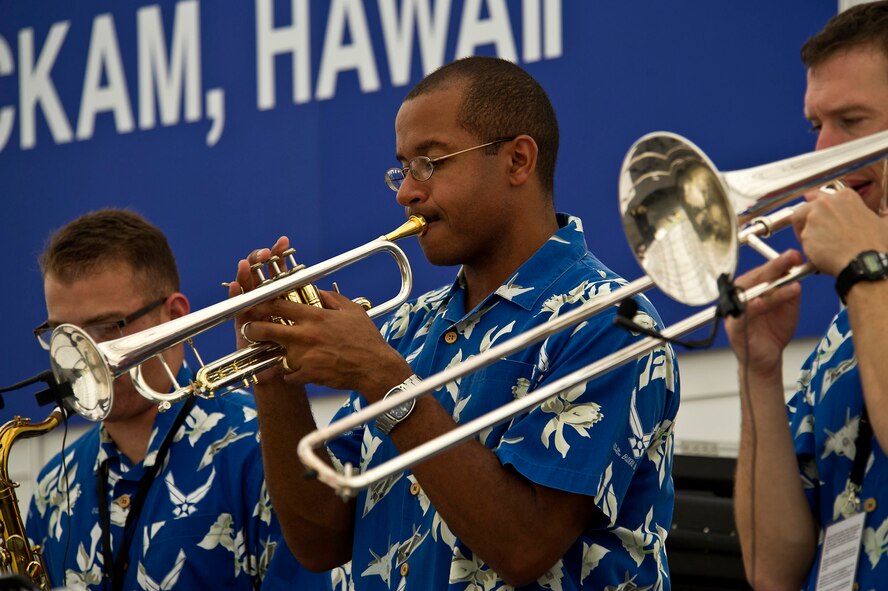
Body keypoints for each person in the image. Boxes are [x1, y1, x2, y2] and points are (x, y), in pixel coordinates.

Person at [233, 57, 679, 590]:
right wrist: (274, 375)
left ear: (517, 161)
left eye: (431, 163)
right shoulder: (404, 331)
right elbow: (319, 542)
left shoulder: (610, 321)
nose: (406, 193)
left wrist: (386, 383)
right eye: (403, 168)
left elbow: (523, 546)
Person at [26, 209, 331, 591]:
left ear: (174, 316)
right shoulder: (53, 485)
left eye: (107, 327)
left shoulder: (264, 451)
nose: (83, 357)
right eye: (64, 334)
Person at [727, 3, 888, 589]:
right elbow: (771, 567)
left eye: (850, 120)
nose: (822, 153)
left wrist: (863, 269)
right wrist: (759, 371)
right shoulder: (856, 310)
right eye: (814, 125)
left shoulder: (863, 284)